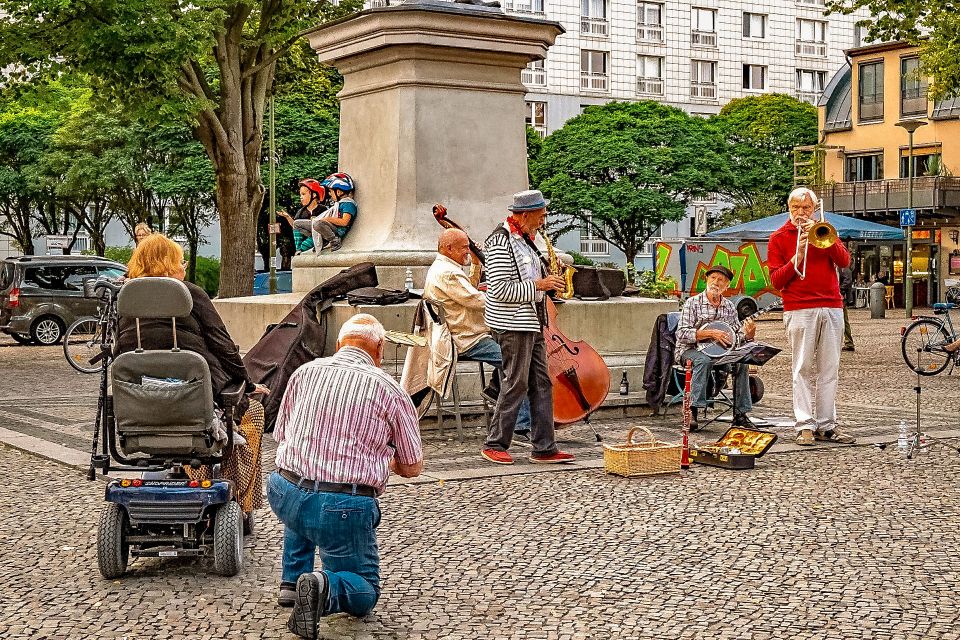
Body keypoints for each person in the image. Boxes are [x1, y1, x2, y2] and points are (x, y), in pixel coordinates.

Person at [269, 314, 423, 639]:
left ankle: (291, 581)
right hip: (341, 505)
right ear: (379, 349)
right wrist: (384, 456)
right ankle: (322, 587)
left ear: (339, 344)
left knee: (304, 485)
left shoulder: (304, 372)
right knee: (365, 589)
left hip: (283, 491)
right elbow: (412, 467)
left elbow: (282, 435)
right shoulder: (391, 391)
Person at [116, 234, 270, 516]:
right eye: (180, 261)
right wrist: (246, 384)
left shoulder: (127, 303)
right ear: (170, 265)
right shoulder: (191, 294)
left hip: (141, 411)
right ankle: (241, 501)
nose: (184, 267)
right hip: (196, 406)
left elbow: (118, 353)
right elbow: (223, 345)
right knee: (254, 413)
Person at [479, 190, 575, 465]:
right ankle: (495, 443)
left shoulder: (526, 241)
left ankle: (544, 446)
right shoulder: (501, 242)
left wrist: (548, 282)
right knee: (516, 382)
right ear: (524, 214)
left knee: (541, 382)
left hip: (532, 321)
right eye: (541, 214)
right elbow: (498, 289)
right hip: (511, 323)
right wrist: (539, 286)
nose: (544, 219)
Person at [423, 228, 532, 436]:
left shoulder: (447, 267)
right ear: (448, 248)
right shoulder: (447, 273)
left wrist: (475, 263)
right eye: (464, 247)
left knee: (514, 353)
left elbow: (469, 289)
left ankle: (496, 387)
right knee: (518, 363)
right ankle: (521, 423)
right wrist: (511, 296)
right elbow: (475, 300)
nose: (468, 250)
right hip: (467, 338)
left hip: (468, 332)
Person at [768, 187, 855, 446]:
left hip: (831, 304)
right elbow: (776, 280)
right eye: (796, 207)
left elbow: (844, 261)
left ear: (815, 209)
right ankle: (804, 424)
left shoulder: (824, 230)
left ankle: (827, 425)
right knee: (802, 368)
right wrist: (799, 254)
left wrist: (824, 238)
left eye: (806, 208)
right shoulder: (779, 237)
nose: (801, 213)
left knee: (830, 369)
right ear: (788, 208)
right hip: (799, 307)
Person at [674, 265, 756, 431]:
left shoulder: (729, 307)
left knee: (742, 362)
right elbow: (681, 333)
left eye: (721, 280)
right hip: (690, 350)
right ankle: (692, 411)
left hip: (720, 353)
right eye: (713, 278)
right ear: (707, 280)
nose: (716, 283)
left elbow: (735, 338)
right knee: (703, 360)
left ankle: (741, 413)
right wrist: (709, 333)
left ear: (726, 286)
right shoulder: (693, 303)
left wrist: (748, 335)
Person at [278, 179, 327, 254]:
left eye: (303, 194)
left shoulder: (323, 209)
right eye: (300, 195)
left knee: (305, 245)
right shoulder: (301, 212)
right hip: (309, 236)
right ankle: (298, 249)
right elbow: (295, 226)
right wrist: (287, 217)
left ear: (314, 195)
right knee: (304, 244)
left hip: (320, 235)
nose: (301, 197)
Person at [839, 265, 855, 352]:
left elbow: (848, 281)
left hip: (841, 297)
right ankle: (848, 342)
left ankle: (849, 342)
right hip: (841, 296)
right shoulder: (840, 266)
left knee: (843, 319)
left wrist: (839, 290)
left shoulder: (843, 266)